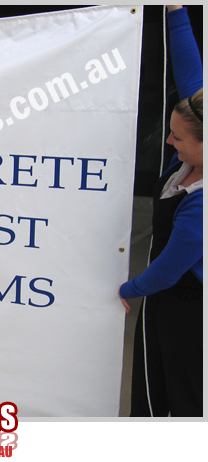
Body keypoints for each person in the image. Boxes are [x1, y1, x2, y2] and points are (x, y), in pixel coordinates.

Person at [119, 5, 202, 417]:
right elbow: (190, 74)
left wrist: (126, 290)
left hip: (184, 306)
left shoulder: (201, 205)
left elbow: (169, 269)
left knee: (171, 392)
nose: (168, 141)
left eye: (177, 137)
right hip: (171, 296)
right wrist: (176, 10)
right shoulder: (199, 124)